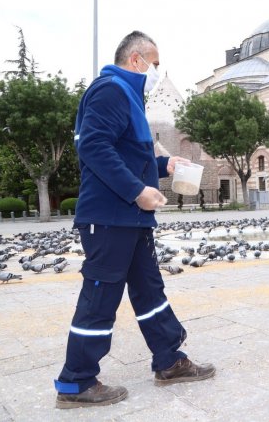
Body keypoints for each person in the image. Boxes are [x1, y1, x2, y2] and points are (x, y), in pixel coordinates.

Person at [54, 31, 215, 409]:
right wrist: (136, 191)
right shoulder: (110, 89)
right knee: (100, 297)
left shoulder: (129, 96)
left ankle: (169, 360)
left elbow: (127, 155)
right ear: (136, 59)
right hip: (110, 217)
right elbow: (93, 146)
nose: (157, 71)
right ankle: (75, 382)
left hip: (132, 219)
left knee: (149, 291)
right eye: (155, 63)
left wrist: (165, 164)